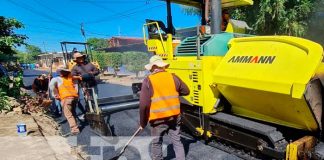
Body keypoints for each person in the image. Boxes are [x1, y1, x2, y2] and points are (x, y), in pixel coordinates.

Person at [139, 55, 190, 160]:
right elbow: (186, 91)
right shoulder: (173, 77)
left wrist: (143, 122)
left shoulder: (148, 80)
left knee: (156, 142)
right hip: (175, 118)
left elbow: (144, 105)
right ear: (163, 66)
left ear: (152, 68)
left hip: (158, 120)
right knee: (177, 141)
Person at [52, 66, 80, 135]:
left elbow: (54, 88)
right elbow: (77, 77)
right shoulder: (70, 77)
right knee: (73, 112)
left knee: (68, 114)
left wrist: (56, 95)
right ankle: (76, 124)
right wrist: (79, 77)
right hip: (74, 97)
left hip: (66, 98)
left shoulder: (58, 80)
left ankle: (75, 129)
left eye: (61, 72)